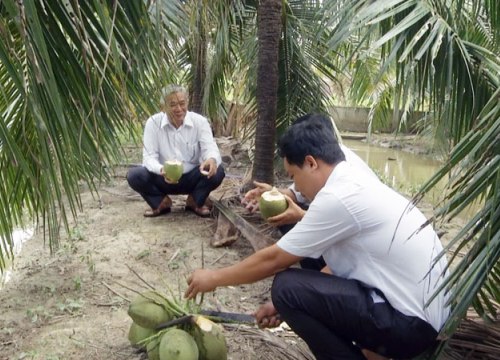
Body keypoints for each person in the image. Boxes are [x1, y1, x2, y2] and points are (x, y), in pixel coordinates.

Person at [185, 114, 450, 360]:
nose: (295, 188)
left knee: (286, 289)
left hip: (412, 325)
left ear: (311, 162)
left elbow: (274, 259)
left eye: (293, 177)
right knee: (307, 267)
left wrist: (214, 278)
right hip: (421, 310)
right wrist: (276, 306)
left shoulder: (337, 198)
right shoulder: (350, 170)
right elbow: (339, 264)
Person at [242, 114, 378, 270]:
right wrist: (271, 193)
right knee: (289, 215)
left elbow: (347, 232)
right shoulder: (323, 163)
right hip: (348, 238)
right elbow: (296, 193)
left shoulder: (346, 180)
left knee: (288, 284)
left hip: (364, 258)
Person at [127, 85, 225, 218]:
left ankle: (195, 200)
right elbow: (149, 157)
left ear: (187, 102)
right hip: (163, 177)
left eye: (182, 103)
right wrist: (161, 169)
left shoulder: (200, 122)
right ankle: (161, 202)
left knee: (218, 171)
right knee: (135, 175)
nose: (178, 109)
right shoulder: (153, 123)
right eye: (172, 104)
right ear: (163, 107)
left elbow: (210, 148)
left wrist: (211, 159)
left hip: (191, 177)